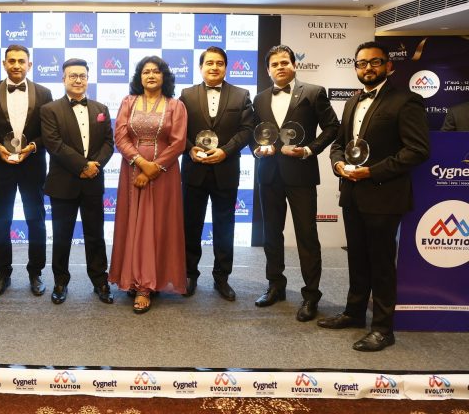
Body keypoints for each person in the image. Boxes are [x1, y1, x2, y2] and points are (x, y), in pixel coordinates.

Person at [318, 41, 430, 352]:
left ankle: (382, 328)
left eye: (375, 62)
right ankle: (354, 313)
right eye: (361, 63)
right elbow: (339, 144)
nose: (368, 68)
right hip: (352, 193)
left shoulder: (406, 101)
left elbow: (417, 150)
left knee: (381, 263)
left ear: (388, 66)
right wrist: (338, 164)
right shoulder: (352, 101)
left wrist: (371, 172)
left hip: (384, 196)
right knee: (357, 257)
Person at [251, 45, 339, 322]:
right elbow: (255, 134)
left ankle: (311, 295)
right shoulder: (259, 98)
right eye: (274, 64)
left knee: (306, 235)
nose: (280, 67)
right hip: (269, 175)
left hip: (301, 174)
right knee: (271, 234)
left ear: (294, 65)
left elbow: (333, 127)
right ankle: (275, 285)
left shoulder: (313, 92)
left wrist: (309, 150)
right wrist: (257, 149)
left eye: (284, 62)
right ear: (268, 70)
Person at [108, 56, 187, 314]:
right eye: (145, 72)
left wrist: (154, 169)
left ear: (164, 76)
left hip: (164, 173)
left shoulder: (175, 106)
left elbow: (178, 143)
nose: (150, 75)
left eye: (156, 71)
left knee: (156, 226)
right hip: (132, 170)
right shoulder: (128, 102)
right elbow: (120, 137)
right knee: (133, 225)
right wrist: (141, 163)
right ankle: (133, 278)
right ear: (139, 77)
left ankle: (148, 284)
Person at [0, 44, 53, 297]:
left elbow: (49, 133)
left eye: (21, 61)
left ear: (30, 64)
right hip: (0, 167)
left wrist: (32, 147)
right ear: (4, 63)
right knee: (1, 222)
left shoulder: (44, 93)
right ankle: (3, 273)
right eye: (12, 61)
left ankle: (36, 273)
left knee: (36, 221)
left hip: (33, 166)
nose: (16, 65)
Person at [179, 47, 254, 301]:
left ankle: (222, 277)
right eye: (209, 63)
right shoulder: (186, 95)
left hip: (226, 169)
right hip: (194, 171)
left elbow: (247, 130)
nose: (214, 67)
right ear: (200, 67)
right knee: (191, 225)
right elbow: (178, 131)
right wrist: (189, 149)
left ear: (226, 67)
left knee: (225, 227)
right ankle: (189, 274)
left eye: (219, 63)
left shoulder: (241, 95)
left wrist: (225, 151)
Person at [40, 58, 114, 305]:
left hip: (93, 182)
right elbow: (54, 144)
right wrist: (83, 166)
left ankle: (100, 281)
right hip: (63, 183)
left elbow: (109, 143)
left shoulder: (101, 108)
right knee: (62, 237)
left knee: (96, 235)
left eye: (82, 76)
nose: (78, 80)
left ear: (88, 78)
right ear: (63, 79)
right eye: (73, 76)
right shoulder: (49, 109)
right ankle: (60, 282)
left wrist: (95, 166)